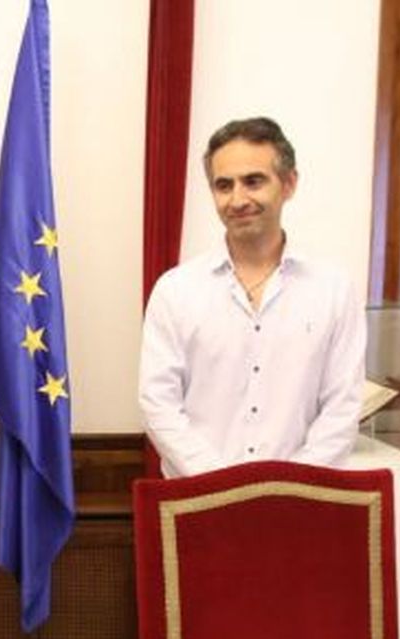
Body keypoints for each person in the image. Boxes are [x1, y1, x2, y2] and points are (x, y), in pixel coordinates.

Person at [139, 117, 365, 478]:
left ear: (289, 183)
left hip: (299, 505)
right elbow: (158, 404)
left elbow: (342, 406)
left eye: (254, 181)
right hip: (199, 501)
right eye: (224, 185)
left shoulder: (333, 288)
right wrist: (222, 484)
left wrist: (286, 489)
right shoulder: (175, 290)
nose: (238, 199)